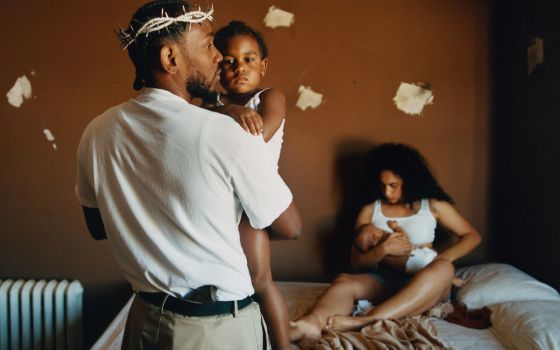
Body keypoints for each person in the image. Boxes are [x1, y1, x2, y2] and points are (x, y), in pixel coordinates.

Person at [75, 1, 302, 349]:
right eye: (208, 44)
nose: (217, 57)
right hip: (213, 331)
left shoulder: (97, 131)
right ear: (170, 58)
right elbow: (290, 226)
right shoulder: (227, 134)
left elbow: (97, 227)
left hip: (144, 321)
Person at [290, 143, 480, 340]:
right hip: (385, 280)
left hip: (426, 282)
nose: (387, 193)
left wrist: (440, 260)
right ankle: (311, 323)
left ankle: (367, 319)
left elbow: (472, 236)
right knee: (344, 281)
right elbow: (356, 262)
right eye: (382, 185)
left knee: (444, 269)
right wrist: (383, 249)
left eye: (393, 186)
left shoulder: (432, 205)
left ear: (409, 180)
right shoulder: (371, 210)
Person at [199, 20, 291, 350]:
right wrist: (229, 109)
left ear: (263, 65)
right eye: (229, 61)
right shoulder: (213, 105)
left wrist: (230, 111)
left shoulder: (271, 96)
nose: (240, 68)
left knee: (261, 279)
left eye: (249, 59)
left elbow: (257, 135)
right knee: (236, 277)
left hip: (257, 194)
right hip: (225, 198)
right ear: (216, 66)